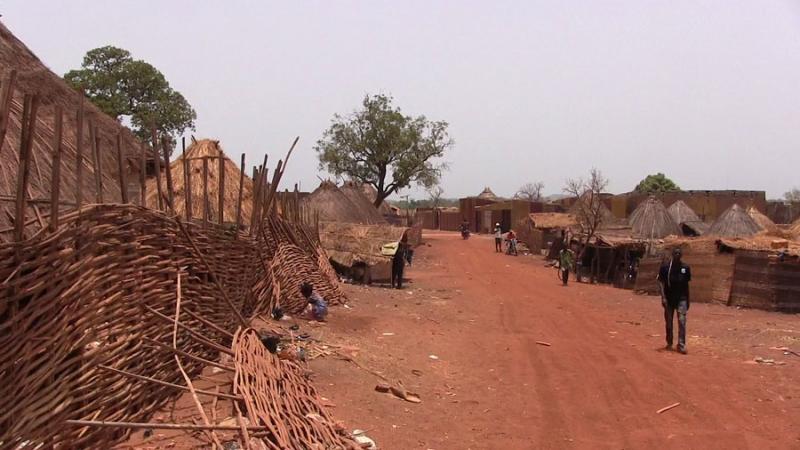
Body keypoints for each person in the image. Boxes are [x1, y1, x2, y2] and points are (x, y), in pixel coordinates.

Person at [657, 248, 691, 354]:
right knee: (669, 322)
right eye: (675, 253)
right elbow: (660, 282)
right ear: (672, 254)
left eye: (679, 253)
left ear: (681, 255)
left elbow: (686, 285)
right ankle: (669, 342)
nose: (677, 255)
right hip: (669, 299)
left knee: (682, 320)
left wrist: (688, 299)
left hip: (681, 298)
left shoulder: (685, 268)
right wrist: (663, 297)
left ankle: (681, 345)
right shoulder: (665, 268)